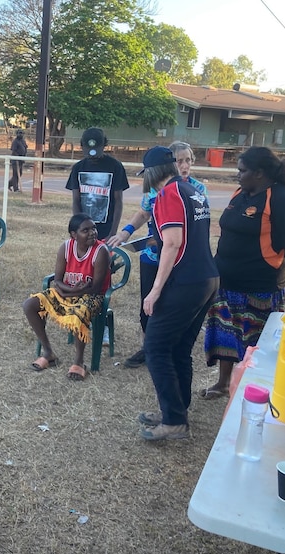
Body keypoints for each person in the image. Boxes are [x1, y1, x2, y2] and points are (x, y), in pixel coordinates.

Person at [200, 146, 285, 400]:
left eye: (242, 170)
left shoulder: (281, 199)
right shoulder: (240, 194)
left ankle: (250, 388)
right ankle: (224, 383)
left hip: (258, 286)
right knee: (225, 333)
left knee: (255, 342)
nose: (237, 174)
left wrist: (266, 253)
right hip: (225, 280)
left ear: (259, 173)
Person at [136, 146, 218, 441]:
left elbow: (172, 243)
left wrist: (155, 291)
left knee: (156, 348)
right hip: (207, 277)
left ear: (152, 173)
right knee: (179, 348)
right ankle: (177, 411)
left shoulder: (168, 194)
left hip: (186, 281)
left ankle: (174, 420)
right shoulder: (191, 191)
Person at [110, 141, 207, 369]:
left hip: (176, 258)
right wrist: (125, 233)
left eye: (187, 160)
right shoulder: (156, 189)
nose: (184, 165)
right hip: (152, 256)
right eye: (179, 160)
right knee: (147, 306)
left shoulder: (196, 190)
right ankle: (148, 349)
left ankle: (165, 350)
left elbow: (190, 231)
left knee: (168, 305)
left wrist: (164, 240)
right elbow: (144, 213)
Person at [24, 213, 111, 381]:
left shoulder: (101, 251)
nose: (92, 232)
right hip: (69, 292)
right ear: (73, 235)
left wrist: (66, 292)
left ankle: (79, 362)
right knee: (30, 305)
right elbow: (57, 280)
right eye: (86, 230)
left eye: (94, 228)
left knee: (79, 312)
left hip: (93, 297)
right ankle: (48, 353)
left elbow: (95, 289)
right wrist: (65, 291)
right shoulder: (66, 247)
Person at [66, 127, 128, 243]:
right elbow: (76, 200)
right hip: (84, 230)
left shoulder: (115, 167)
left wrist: (113, 233)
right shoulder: (78, 168)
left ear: (104, 145)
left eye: (96, 151)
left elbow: (118, 201)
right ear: (82, 146)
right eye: (88, 151)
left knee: (104, 260)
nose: (92, 155)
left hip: (106, 229)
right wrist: (79, 227)